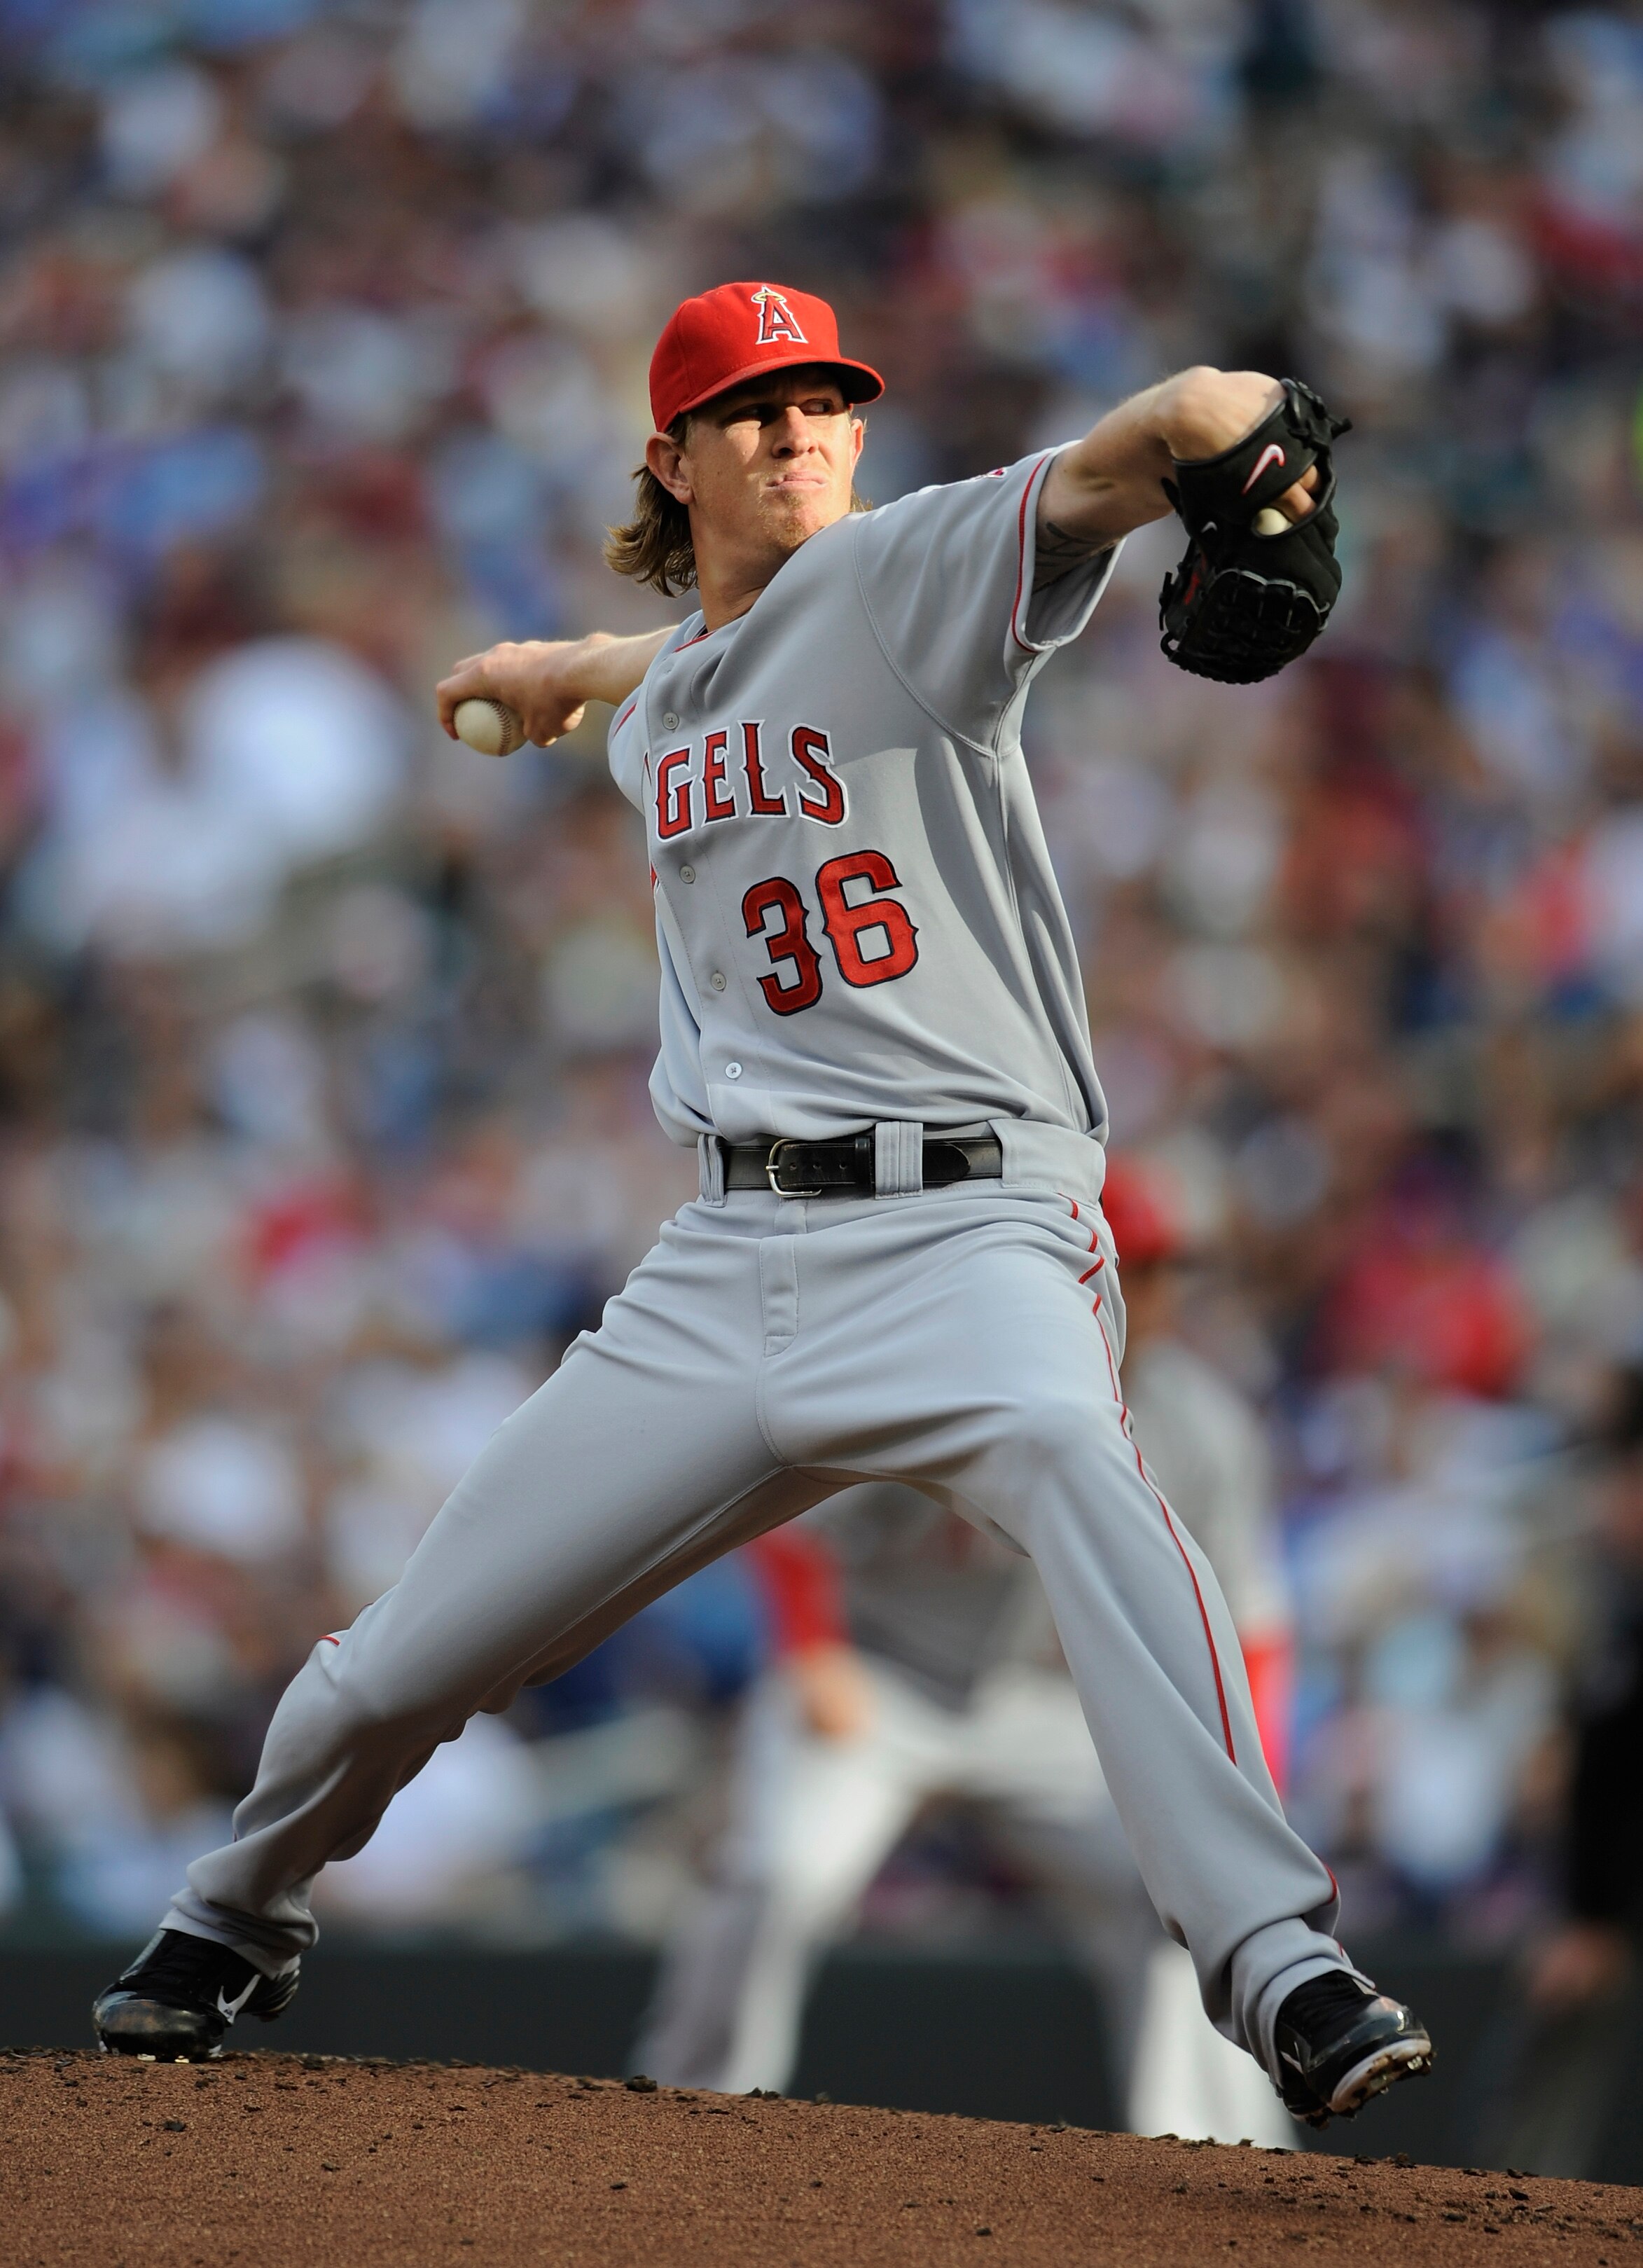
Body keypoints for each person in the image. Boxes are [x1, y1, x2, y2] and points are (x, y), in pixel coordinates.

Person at [94, 279, 1431, 2127]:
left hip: (969, 1232)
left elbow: (1175, 422)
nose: (799, 431)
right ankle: (224, 1915)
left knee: (1076, 1465)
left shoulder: (906, 576)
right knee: (396, 1656)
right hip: (722, 1263)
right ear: (672, 456)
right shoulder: (684, 689)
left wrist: (1252, 434)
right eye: (750, 411)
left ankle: (1276, 1953)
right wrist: (559, 669)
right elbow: (691, 676)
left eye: (824, 401)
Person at [632, 1157, 1298, 2146]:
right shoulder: (942, 1371)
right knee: (779, 1871)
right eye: (1136, 1263)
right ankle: (690, 2116)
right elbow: (789, 1525)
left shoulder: (1201, 1425)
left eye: (1163, 1267)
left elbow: (1251, 1629)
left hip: (1044, 1711)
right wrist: (813, 1653)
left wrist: (1254, 1792)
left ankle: (1220, 2159)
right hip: (880, 1680)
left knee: (1191, 1887)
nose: (1153, 1290)